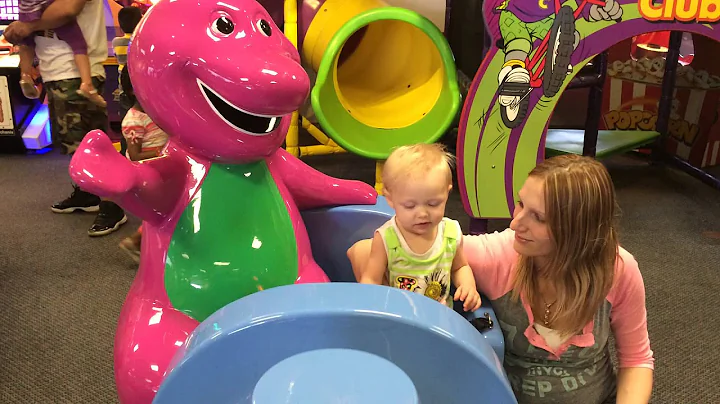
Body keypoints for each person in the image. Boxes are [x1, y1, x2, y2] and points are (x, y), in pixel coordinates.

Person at [349, 154, 654, 403]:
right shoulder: (503, 254)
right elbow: (365, 250)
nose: (515, 222)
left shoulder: (618, 269)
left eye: (538, 217)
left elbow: (637, 359)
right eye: (521, 204)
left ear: (578, 231)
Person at [4, 0, 127, 236]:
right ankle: (87, 192)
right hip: (55, 71)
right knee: (72, 142)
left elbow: (68, 9)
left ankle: (113, 205)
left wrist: (26, 26)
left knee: (92, 145)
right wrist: (25, 68)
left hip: (79, 72)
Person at [350, 143, 481, 313]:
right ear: (390, 199)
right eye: (410, 206)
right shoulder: (387, 239)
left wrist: (468, 286)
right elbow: (371, 279)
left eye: (433, 204)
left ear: (447, 193)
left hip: (441, 319)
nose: (422, 214)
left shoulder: (450, 234)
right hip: (400, 317)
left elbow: (459, 267)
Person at [117, 66, 168, 262]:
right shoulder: (133, 120)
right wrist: (162, 151)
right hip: (148, 172)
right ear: (132, 91)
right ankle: (135, 241)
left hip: (162, 167)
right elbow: (135, 154)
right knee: (162, 212)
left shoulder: (156, 111)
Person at [18, 0, 106, 107]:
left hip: (28, 10)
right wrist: (29, 26)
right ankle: (86, 83)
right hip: (69, 73)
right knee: (78, 45)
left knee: (26, 41)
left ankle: (25, 76)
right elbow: (65, 11)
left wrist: (27, 26)